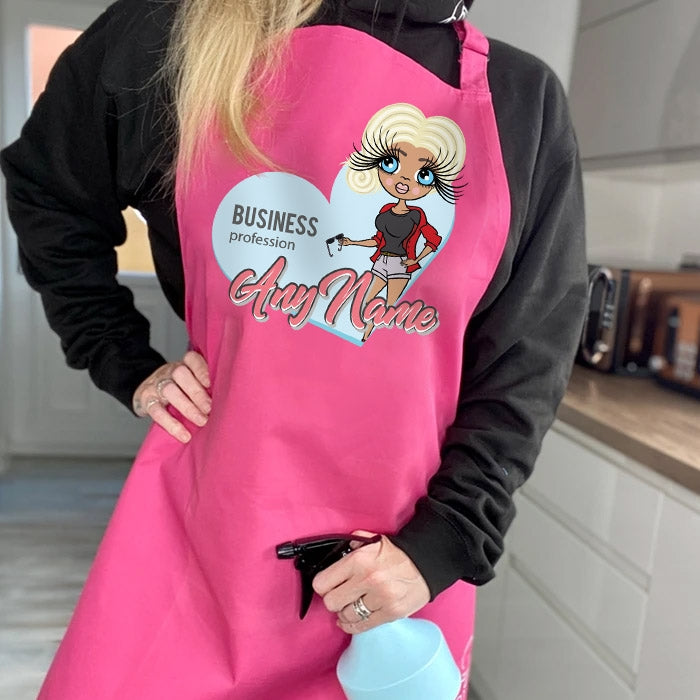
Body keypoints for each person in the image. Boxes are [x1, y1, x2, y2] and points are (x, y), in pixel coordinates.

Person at [0, 0, 588, 697]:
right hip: (205, 546)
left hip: (400, 575)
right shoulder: (173, 33)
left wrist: (448, 538)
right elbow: (49, 187)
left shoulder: (522, 101)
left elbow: (527, 354)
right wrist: (121, 358)